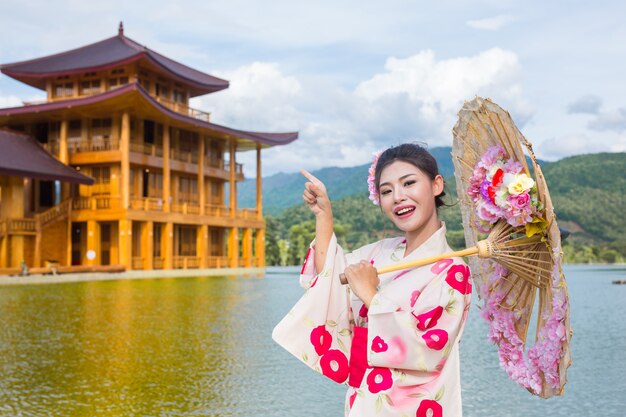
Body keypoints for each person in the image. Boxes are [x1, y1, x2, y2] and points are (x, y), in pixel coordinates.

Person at [273, 143, 472, 417]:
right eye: (386, 191)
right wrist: (323, 215)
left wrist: (371, 296)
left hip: (414, 406)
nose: (398, 197)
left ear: (436, 184)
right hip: (366, 400)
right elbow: (331, 278)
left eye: (409, 183)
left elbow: (429, 348)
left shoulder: (453, 270)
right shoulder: (379, 252)